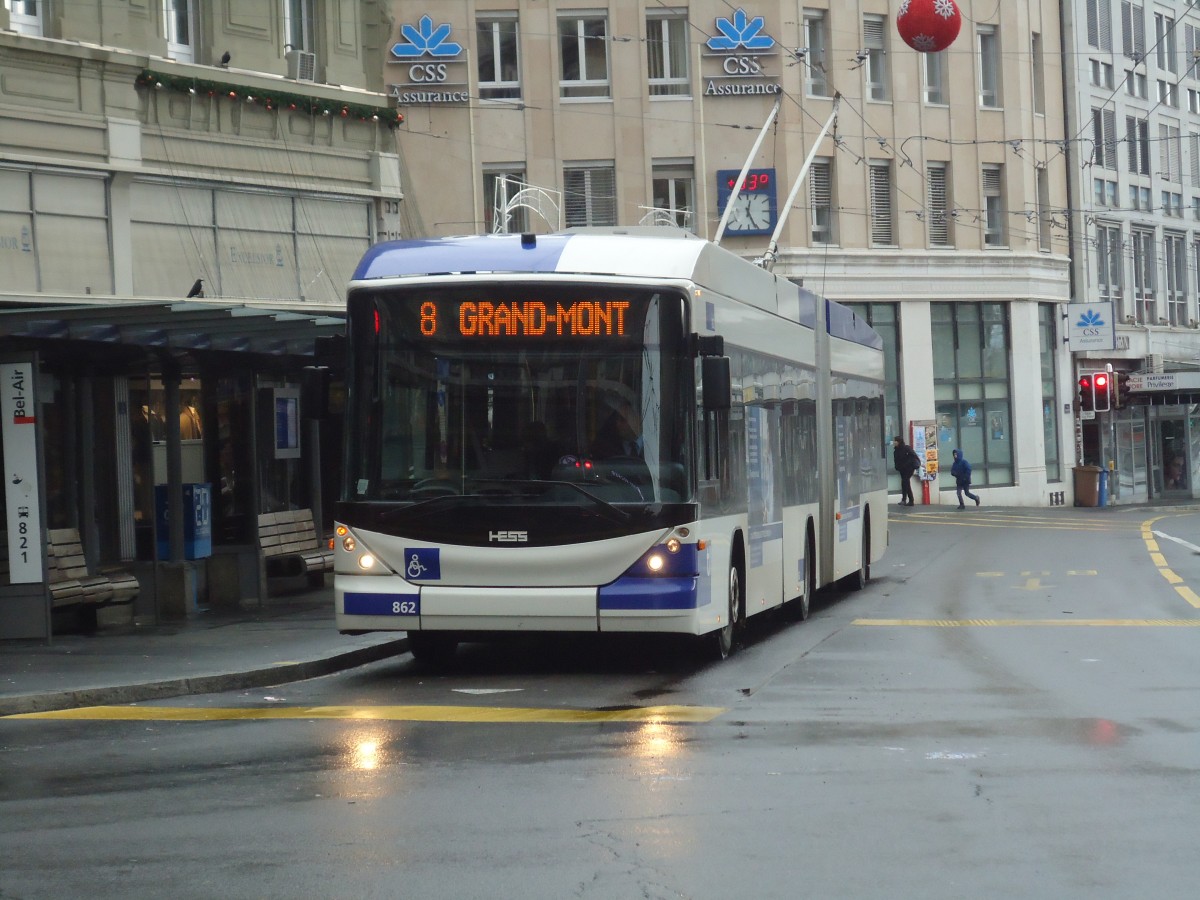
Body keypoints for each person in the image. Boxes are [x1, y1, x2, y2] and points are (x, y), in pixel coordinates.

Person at [892, 436, 921, 506]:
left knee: (905, 482)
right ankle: (909, 500)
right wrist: (897, 467)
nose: (894, 442)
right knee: (906, 483)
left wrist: (907, 464)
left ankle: (906, 499)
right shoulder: (896, 450)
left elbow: (913, 456)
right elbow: (896, 460)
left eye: (895, 441)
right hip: (902, 469)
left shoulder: (906, 448)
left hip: (909, 468)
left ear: (899, 441)